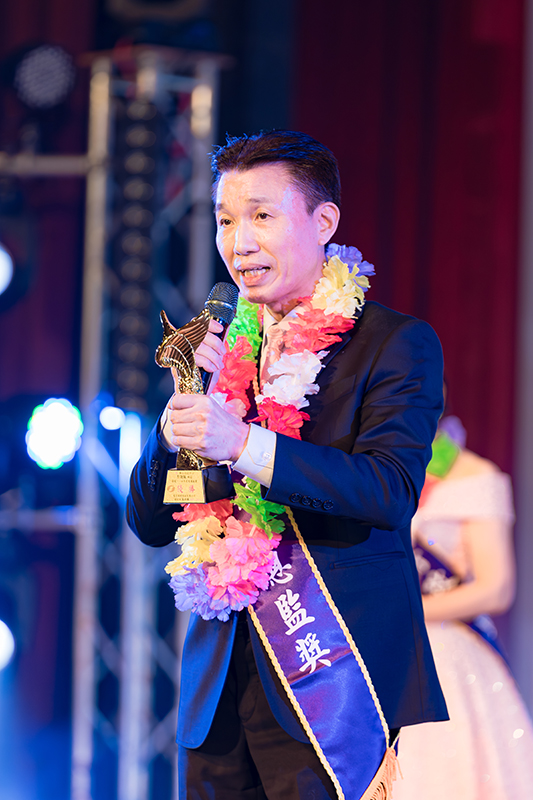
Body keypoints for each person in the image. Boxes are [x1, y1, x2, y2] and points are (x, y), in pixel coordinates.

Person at [127, 130, 448, 800]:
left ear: (323, 221)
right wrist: (175, 419)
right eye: (225, 220)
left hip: (331, 678)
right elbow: (150, 523)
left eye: (262, 216)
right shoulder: (220, 349)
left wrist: (242, 445)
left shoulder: (392, 344)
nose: (239, 241)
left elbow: (388, 491)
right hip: (218, 687)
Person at [392, 417, 533, 799]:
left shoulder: (474, 474)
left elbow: (496, 589)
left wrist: (405, 610)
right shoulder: (375, 467)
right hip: (386, 648)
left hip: (447, 652)